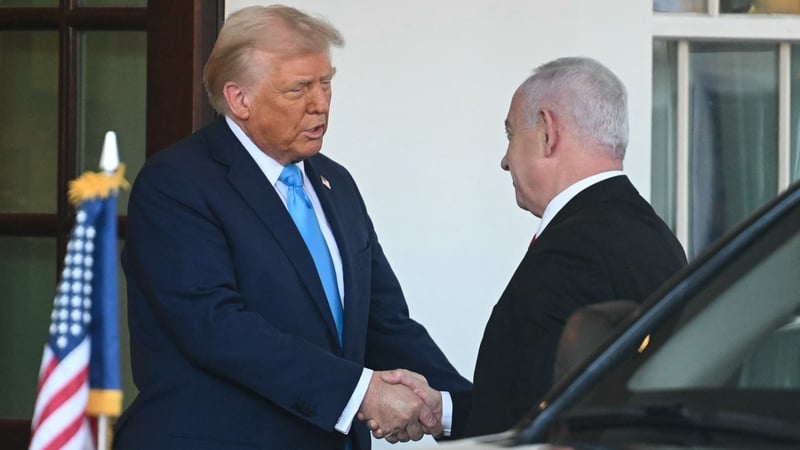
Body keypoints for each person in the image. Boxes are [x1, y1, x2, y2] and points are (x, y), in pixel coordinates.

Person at [113, 5, 471, 450]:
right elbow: (218, 327)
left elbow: (382, 324)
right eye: (298, 88)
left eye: (326, 83)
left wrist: (465, 412)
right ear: (239, 98)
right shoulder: (177, 184)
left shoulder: (334, 182)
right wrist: (363, 393)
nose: (319, 103)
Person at [383, 56, 688, 440]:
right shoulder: (656, 237)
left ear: (547, 131)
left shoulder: (570, 254)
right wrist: (442, 410)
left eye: (510, 134)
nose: (505, 160)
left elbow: (532, 428)